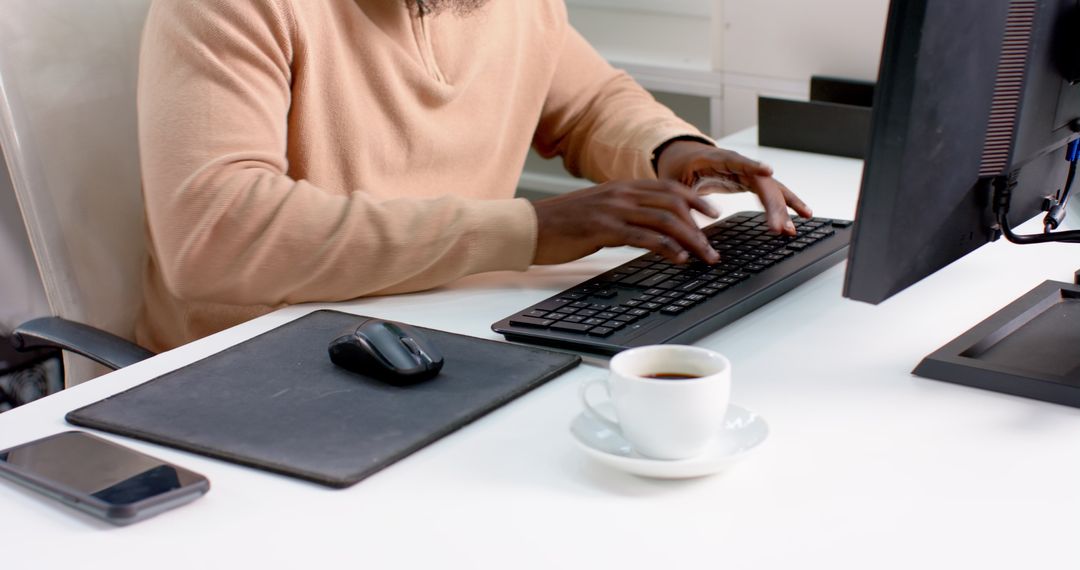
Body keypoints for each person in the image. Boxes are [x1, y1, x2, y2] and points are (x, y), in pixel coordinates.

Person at [136, 0, 811, 352]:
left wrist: (671, 150)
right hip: (252, 363)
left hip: (441, 333)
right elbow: (215, 229)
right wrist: (531, 229)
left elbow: (588, 102)